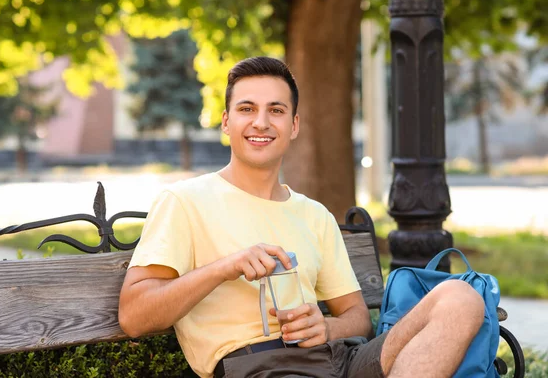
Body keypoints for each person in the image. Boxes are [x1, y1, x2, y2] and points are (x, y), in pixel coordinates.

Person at [118, 57, 485, 378]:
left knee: (459, 297)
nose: (261, 122)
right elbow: (134, 316)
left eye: (275, 111)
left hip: (341, 361)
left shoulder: (314, 215)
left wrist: (326, 326)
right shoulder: (184, 201)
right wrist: (225, 267)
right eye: (247, 109)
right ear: (226, 123)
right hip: (262, 366)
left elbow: (358, 317)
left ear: (293, 126)